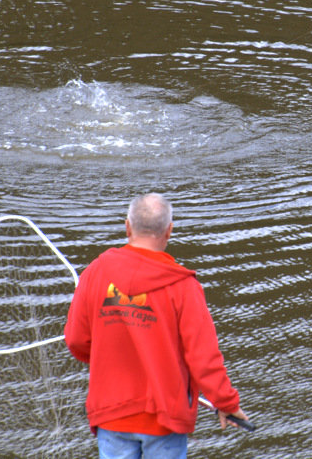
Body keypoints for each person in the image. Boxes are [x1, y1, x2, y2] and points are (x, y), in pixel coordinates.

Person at [64, 193, 249, 458]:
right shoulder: (184, 287)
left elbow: (75, 340)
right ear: (169, 231)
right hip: (165, 420)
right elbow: (203, 358)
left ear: (127, 226)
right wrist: (226, 402)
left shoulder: (95, 273)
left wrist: (109, 357)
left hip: (111, 413)